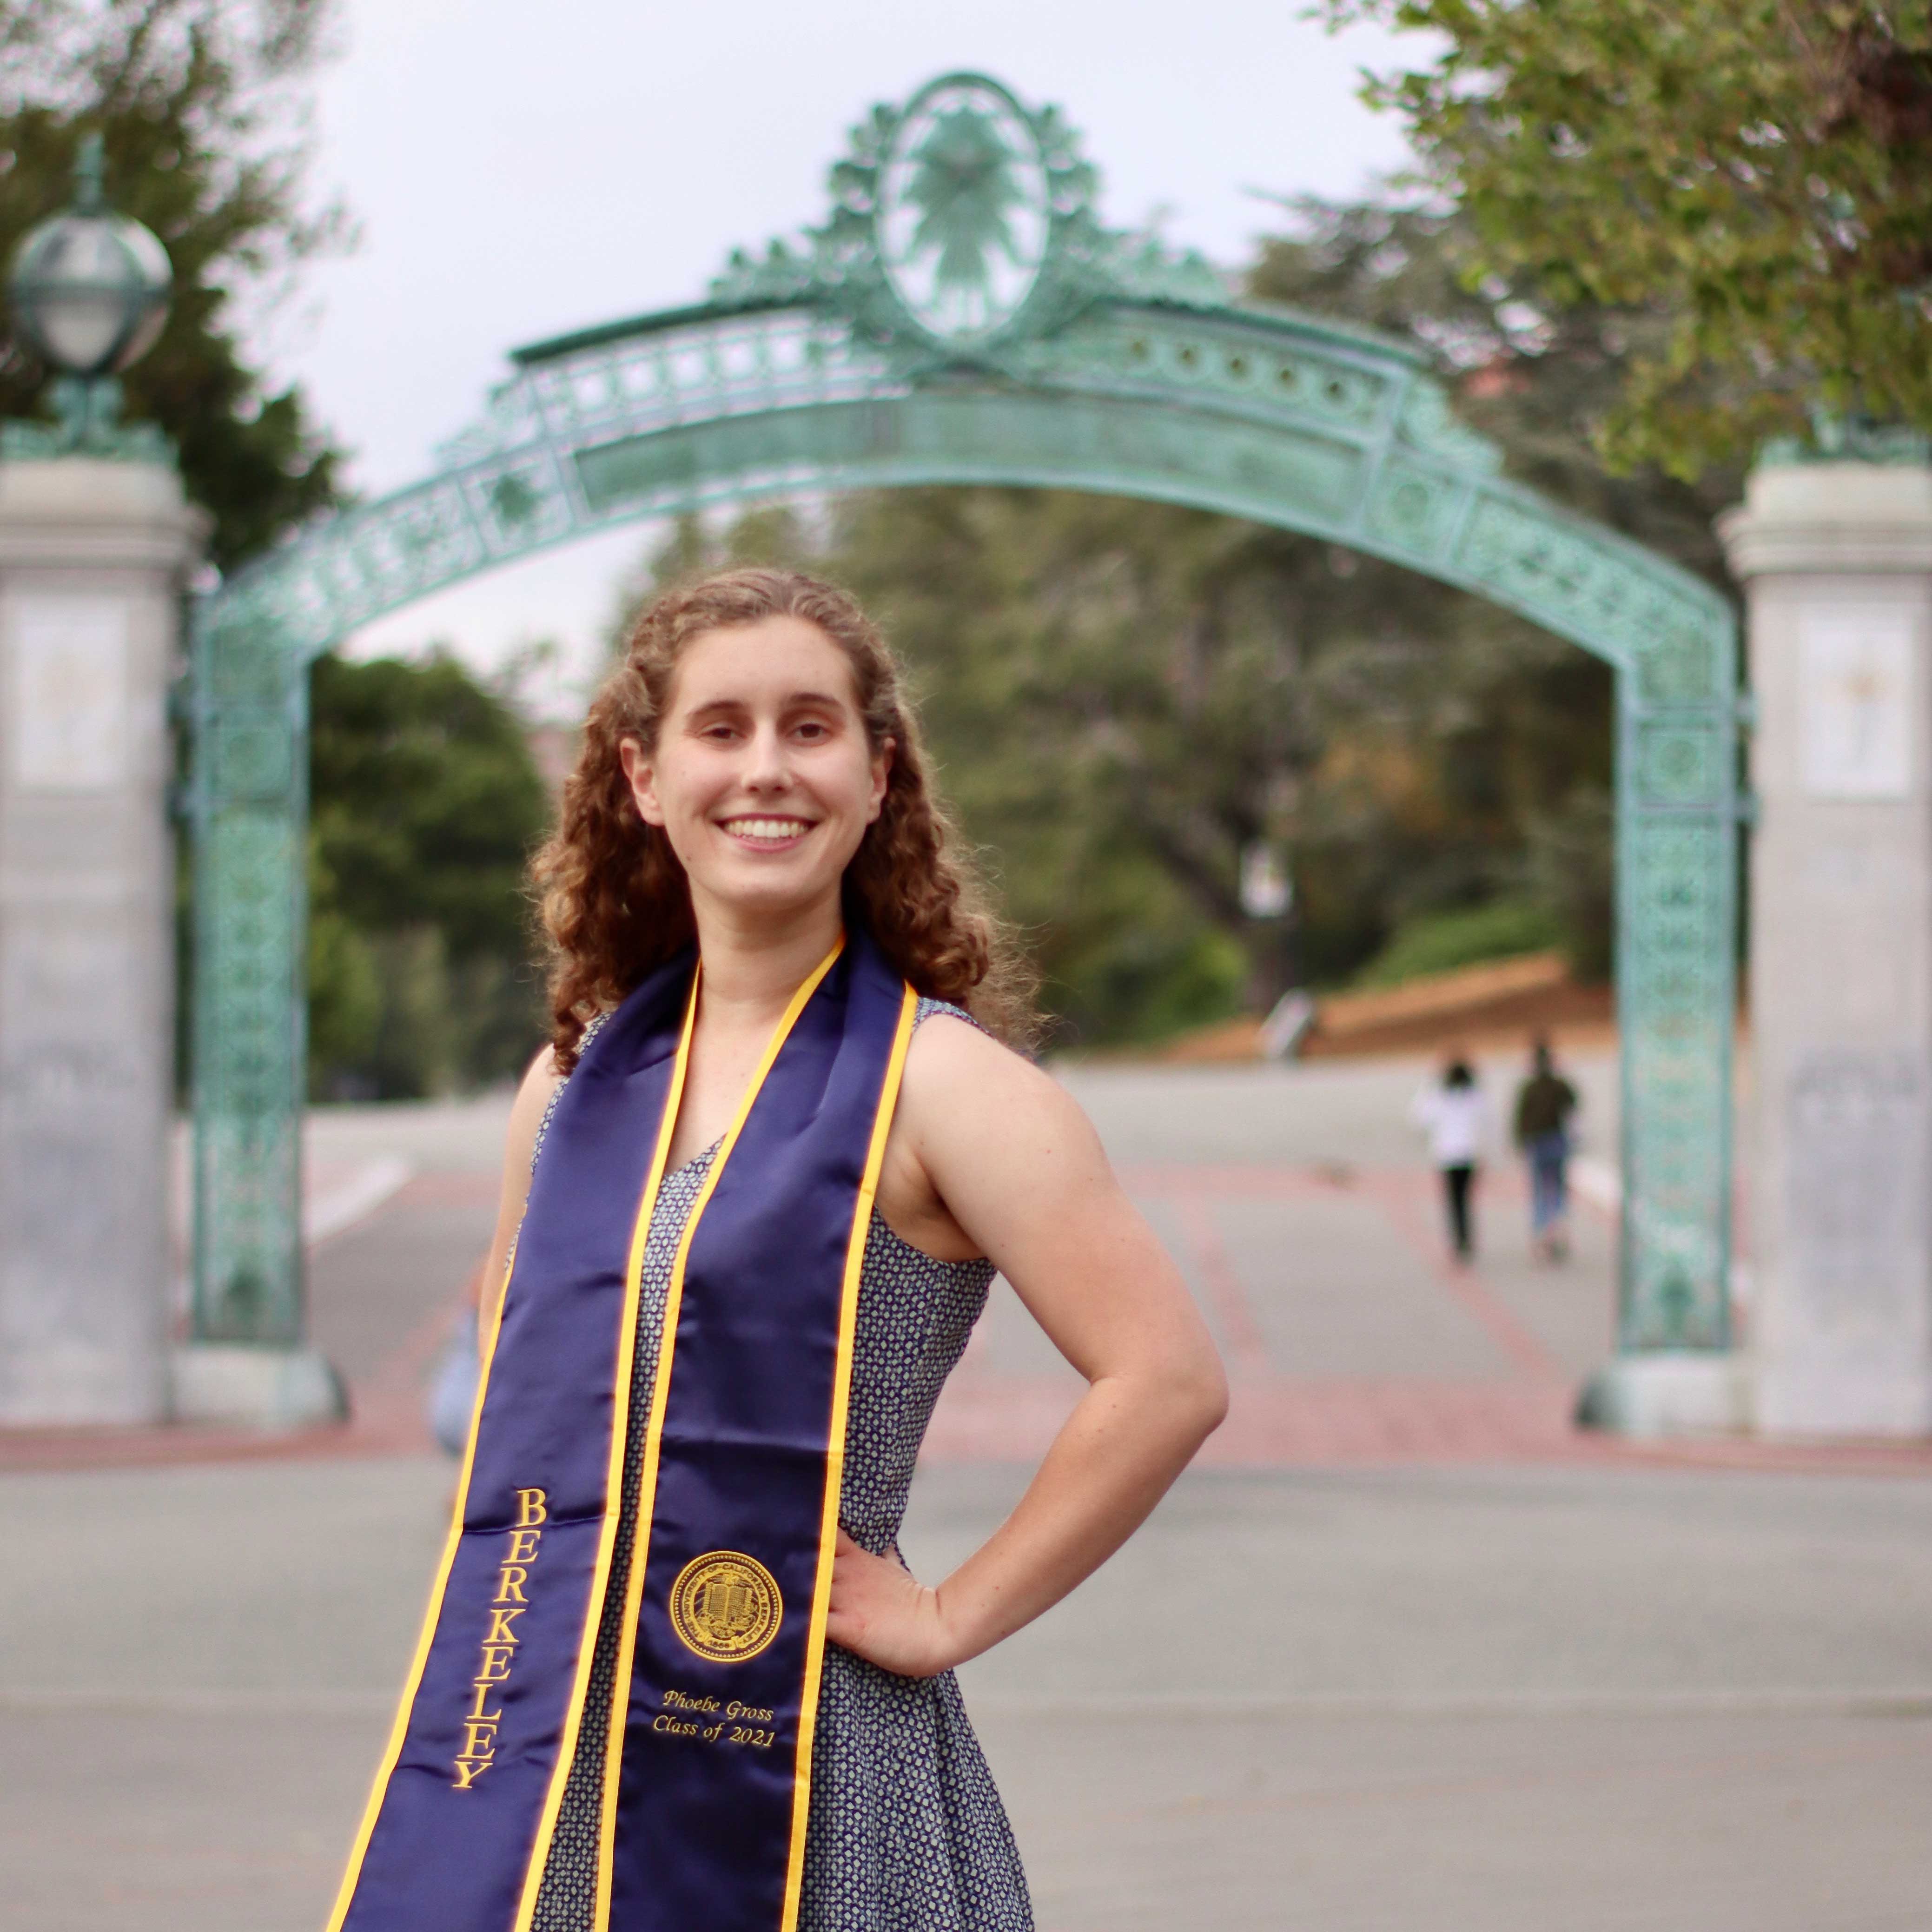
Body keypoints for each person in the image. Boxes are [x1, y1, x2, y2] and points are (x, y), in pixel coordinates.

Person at [331, 569, 1228, 1932]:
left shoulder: (946, 1088)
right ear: (642, 776)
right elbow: (520, 1390)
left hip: (810, 1756)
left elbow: (1163, 1377)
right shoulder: (569, 1086)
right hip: (549, 1744)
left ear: (877, 775)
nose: (765, 767)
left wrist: (946, 1612)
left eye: (809, 728)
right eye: (721, 727)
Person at [1410, 1056, 1487, 1263]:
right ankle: (1466, 1237)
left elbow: (1418, 1117)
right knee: (1466, 1199)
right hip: (1469, 1155)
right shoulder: (1474, 1096)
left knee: (1453, 1201)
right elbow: (1488, 1119)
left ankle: (1458, 1239)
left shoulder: (1440, 1097)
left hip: (1447, 1156)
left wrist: (1429, 1081)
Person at [1513, 1037, 1580, 1262]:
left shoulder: (1529, 1087)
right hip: (1557, 1139)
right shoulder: (1559, 1085)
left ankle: (1542, 1234)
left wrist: (1519, 1141)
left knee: (1540, 1190)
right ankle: (1559, 1228)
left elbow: (1520, 1118)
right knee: (1558, 1189)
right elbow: (1574, 1104)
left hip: (1538, 1142)